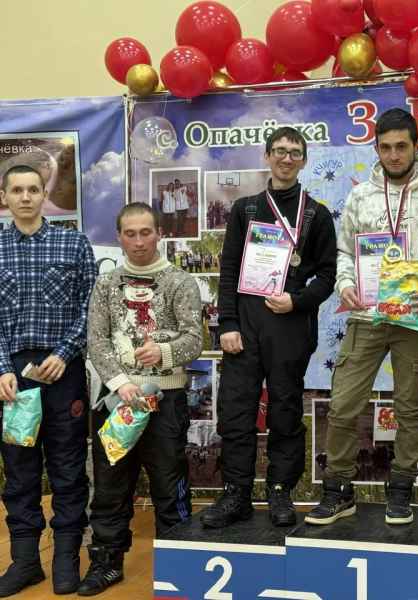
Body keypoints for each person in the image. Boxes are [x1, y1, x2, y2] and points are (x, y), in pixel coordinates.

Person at [305, 108, 418, 526]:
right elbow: (344, 251)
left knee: (410, 409)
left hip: (415, 318)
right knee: (343, 404)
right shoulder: (361, 196)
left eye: (401, 147)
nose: (394, 155)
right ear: (376, 148)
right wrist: (345, 284)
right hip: (367, 315)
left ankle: (401, 488)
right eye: (386, 147)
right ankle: (339, 489)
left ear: (416, 146)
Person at [202, 126, 337, 529]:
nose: (286, 158)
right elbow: (228, 268)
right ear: (266, 156)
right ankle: (236, 494)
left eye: (294, 152)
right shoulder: (245, 209)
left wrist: (298, 300)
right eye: (279, 150)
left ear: (304, 160)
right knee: (237, 412)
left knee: (285, 412)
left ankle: (280, 492)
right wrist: (227, 323)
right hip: (244, 325)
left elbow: (328, 276)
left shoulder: (316, 214)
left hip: (290, 325)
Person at [79, 202, 202, 596]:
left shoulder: (181, 282)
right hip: (117, 401)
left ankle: (179, 566)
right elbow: (96, 340)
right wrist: (119, 383)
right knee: (110, 486)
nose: (138, 241)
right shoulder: (105, 284)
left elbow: (195, 340)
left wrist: (163, 353)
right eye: (130, 233)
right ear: (119, 237)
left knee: (169, 483)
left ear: (159, 233)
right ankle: (106, 563)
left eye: (145, 232)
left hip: (166, 401)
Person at [0, 164, 97, 596]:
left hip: (64, 371)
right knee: (19, 470)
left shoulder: (73, 243)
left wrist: (64, 352)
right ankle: (25, 562)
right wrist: (1, 367)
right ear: (4, 197)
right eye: (17, 190)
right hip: (13, 377)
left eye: (33, 189)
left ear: (45, 194)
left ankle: (65, 559)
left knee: (67, 467)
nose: (25, 197)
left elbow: (91, 307)